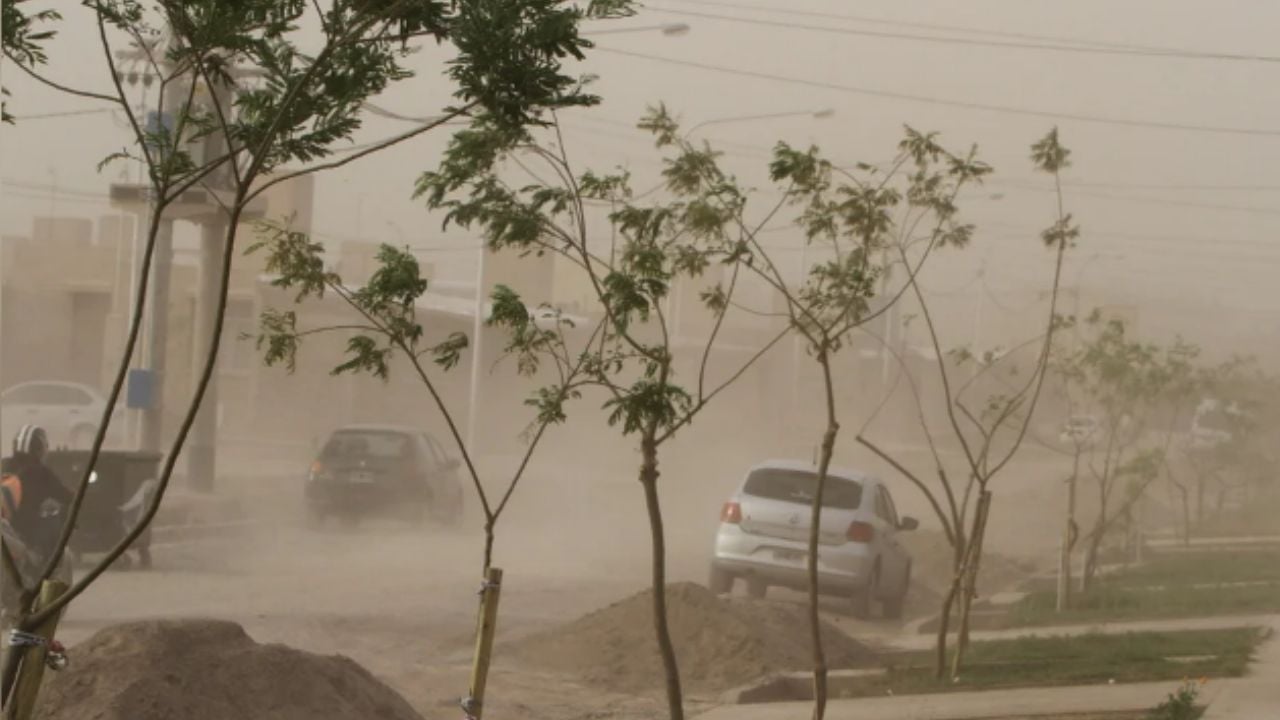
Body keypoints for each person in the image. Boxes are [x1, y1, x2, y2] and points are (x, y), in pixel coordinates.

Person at [0, 425, 72, 560]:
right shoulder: (41, 472)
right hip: (26, 537)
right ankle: (51, 578)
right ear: (39, 450)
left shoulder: (4, 464)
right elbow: (68, 497)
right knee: (60, 559)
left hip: (6, 531)